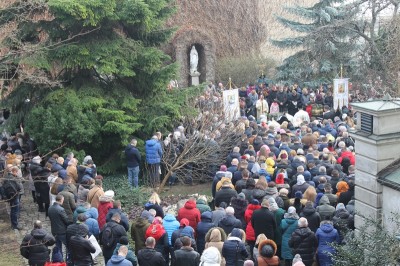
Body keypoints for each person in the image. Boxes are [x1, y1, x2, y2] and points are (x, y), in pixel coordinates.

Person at [48, 194, 70, 262]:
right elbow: (66, 220)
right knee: (68, 246)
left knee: (58, 246)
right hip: (62, 231)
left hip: (54, 230)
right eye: (63, 200)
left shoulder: (50, 208)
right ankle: (68, 259)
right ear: (61, 200)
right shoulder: (61, 209)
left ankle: (60, 260)